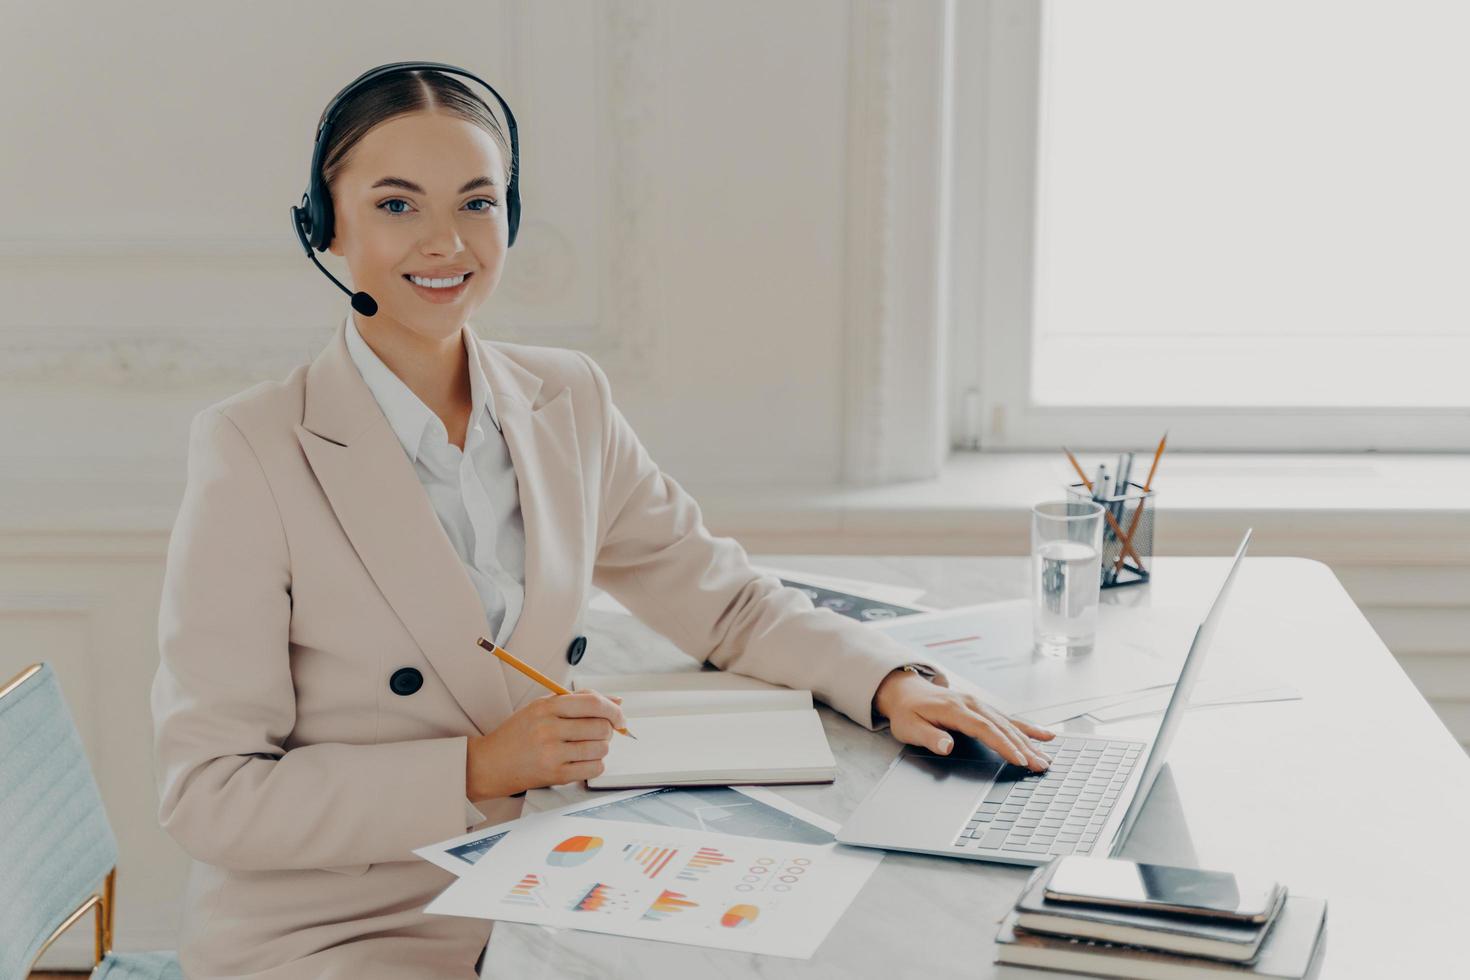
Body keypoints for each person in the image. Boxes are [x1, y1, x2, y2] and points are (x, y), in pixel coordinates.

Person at [150, 64, 1054, 980]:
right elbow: (210, 795)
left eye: (477, 202)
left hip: (546, 883)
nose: (445, 241)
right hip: (340, 930)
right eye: (395, 205)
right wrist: (474, 768)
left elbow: (725, 603)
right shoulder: (254, 448)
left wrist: (890, 680)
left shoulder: (565, 399)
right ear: (325, 226)